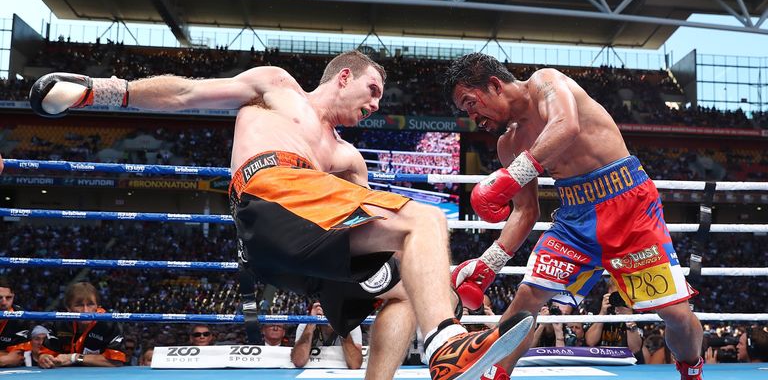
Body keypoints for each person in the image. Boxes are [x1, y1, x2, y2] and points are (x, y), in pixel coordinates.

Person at [30, 50, 533, 380]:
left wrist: (422, 278)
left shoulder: (347, 159)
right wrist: (101, 89)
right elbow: (186, 92)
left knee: (411, 287)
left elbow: (375, 231)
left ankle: (409, 361)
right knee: (426, 219)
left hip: (296, 246)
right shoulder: (277, 89)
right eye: (373, 90)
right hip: (270, 193)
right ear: (344, 77)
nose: (377, 104)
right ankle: (445, 346)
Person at [444, 53, 704, 380]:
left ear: (494, 85)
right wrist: (490, 263)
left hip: (630, 210)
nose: (471, 116)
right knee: (527, 298)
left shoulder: (546, 83)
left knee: (676, 314)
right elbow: (525, 211)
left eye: (470, 103)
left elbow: (566, 126)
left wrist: (511, 176)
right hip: (574, 221)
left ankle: (691, 368)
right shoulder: (508, 144)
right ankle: (493, 376)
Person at [38, 282, 126, 368]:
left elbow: (116, 361)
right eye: (79, 305)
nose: (86, 311)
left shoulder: (109, 324)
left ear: (98, 306)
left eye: (90, 304)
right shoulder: (60, 323)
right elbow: (45, 353)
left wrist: (74, 358)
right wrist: (44, 359)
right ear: (69, 308)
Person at [291, 301, 363, 369]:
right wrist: (311, 324)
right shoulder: (305, 325)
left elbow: (355, 364)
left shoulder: (352, 325)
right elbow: (298, 361)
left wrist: (341, 327)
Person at [585, 280, 643, 357]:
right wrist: (602, 313)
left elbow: (635, 349)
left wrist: (629, 318)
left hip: (628, 362)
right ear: (608, 294)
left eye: (621, 295)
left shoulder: (636, 309)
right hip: (601, 359)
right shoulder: (598, 307)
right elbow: (590, 342)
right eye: (614, 295)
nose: (618, 298)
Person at [0, 276, 29, 368]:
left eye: (8, 297)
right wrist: (3, 357)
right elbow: (6, 358)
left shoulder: (21, 318)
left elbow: (16, 358)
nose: (4, 303)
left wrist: (6, 358)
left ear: (13, 296)